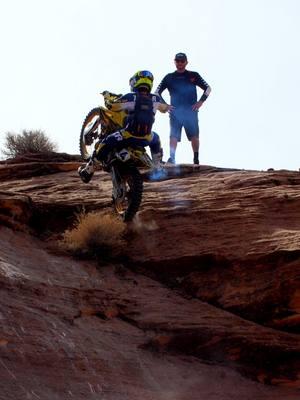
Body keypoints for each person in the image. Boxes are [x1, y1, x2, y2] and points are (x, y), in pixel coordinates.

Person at [78, 70, 172, 183]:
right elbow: (165, 109)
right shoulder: (155, 99)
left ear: (135, 82)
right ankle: (158, 167)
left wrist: (107, 96)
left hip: (127, 135)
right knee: (156, 139)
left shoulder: (131, 97)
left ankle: (88, 172)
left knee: (103, 145)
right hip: (146, 138)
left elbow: (112, 106)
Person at [155, 52, 211, 165]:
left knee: (194, 135)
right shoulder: (169, 77)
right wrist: (166, 106)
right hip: (175, 112)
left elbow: (208, 88)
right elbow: (156, 93)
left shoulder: (193, 75)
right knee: (173, 136)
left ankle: (196, 159)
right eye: (178, 61)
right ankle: (172, 158)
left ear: (186, 62)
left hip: (190, 111)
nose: (180, 63)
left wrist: (201, 102)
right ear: (174, 61)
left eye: (182, 61)